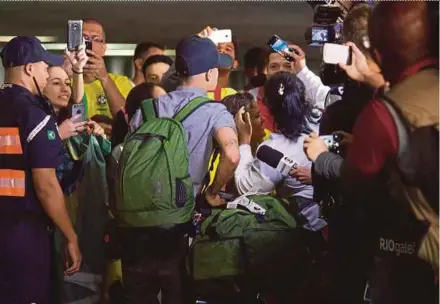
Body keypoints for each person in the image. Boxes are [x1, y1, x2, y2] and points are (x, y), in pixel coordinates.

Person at [304, 2, 438, 303]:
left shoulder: (382, 114)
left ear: (372, 48)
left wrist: (323, 157)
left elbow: (358, 181)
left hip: (419, 253)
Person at [125, 33, 239, 303]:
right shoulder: (215, 111)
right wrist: (212, 192)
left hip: (137, 221)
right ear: (211, 74)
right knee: (179, 290)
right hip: (181, 220)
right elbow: (232, 155)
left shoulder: (148, 108)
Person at [0, 36, 81, 304]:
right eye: (45, 68)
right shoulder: (35, 116)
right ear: (29, 69)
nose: (47, 74)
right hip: (23, 235)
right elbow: (46, 186)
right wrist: (70, 236)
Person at [234, 71, 326, 234]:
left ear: (267, 106)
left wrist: (244, 142)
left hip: (314, 230)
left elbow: (247, 188)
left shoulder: (273, 149)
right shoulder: (325, 119)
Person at [82, 18, 133, 119]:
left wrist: (104, 78)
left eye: (95, 39)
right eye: (83, 38)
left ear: (103, 49)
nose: (89, 43)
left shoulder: (121, 82)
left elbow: (126, 118)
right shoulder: (62, 80)